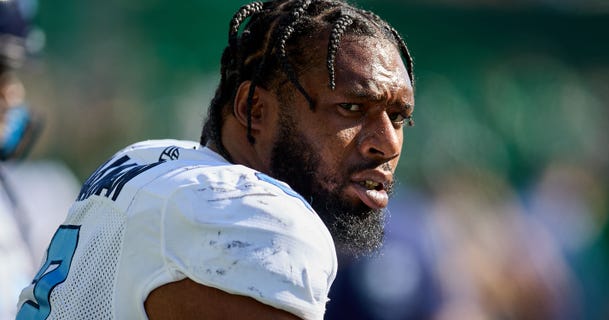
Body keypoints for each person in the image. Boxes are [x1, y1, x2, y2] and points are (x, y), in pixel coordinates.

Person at [16, 0, 415, 319]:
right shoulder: (264, 218)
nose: (386, 142)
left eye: (398, 117)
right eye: (350, 107)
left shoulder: (142, 158)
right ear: (255, 109)